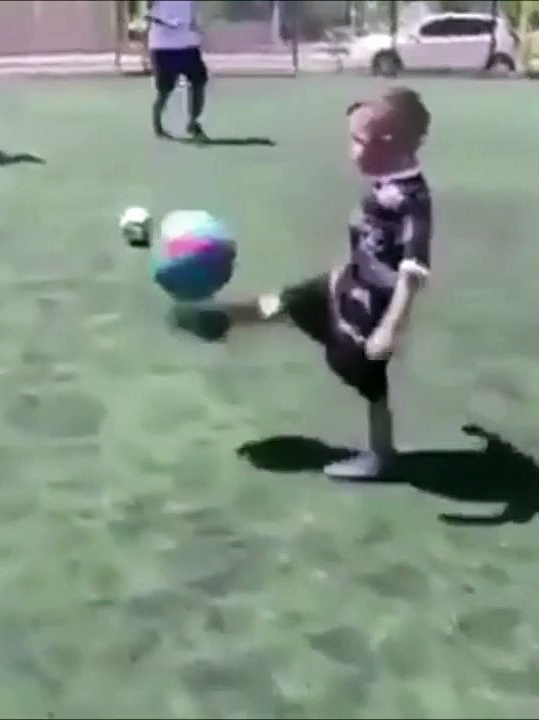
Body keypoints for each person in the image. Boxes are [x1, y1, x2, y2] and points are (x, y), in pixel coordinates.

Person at [173, 88, 433, 479]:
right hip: (344, 284)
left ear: (389, 144)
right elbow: (370, 241)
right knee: (285, 301)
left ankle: (382, 457)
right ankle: (221, 320)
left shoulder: (412, 200)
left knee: (368, 381)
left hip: (369, 310)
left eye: (357, 141)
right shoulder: (384, 182)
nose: (351, 151)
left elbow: (413, 270)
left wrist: (390, 328)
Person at [146, 0, 208, 140]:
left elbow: (193, 14)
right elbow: (149, 12)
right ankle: (158, 125)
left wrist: (196, 30)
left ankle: (193, 123)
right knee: (165, 90)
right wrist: (164, 21)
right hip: (163, 46)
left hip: (187, 44)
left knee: (199, 80)